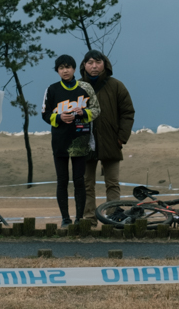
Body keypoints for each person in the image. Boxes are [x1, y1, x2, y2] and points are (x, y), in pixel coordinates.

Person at [41, 55, 100, 228]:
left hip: (80, 140)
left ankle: (79, 218)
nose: (65, 71)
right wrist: (59, 117)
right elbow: (45, 113)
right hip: (60, 141)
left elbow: (96, 109)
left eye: (68, 67)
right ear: (57, 71)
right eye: (61, 68)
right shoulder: (52, 89)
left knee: (79, 180)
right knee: (62, 180)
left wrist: (84, 113)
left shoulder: (85, 87)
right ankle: (65, 218)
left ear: (74, 69)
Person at [79, 51, 134, 221]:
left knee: (112, 183)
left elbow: (128, 113)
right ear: (84, 65)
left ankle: (113, 217)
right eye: (90, 62)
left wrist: (121, 138)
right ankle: (89, 218)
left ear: (105, 64)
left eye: (98, 62)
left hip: (111, 141)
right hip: (84, 142)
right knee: (86, 184)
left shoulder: (116, 86)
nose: (94, 66)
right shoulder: (77, 87)